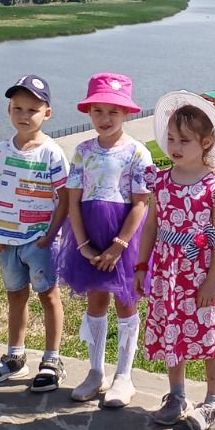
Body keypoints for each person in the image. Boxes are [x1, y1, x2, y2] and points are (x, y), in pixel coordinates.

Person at [134, 93, 215, 430]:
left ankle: (213, 401)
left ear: (206, 142)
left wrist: (211, 280)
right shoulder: (161, 181)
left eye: (185, 140)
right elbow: (152, 225)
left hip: (202, 274)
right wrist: (141, 265)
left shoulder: (214, 186)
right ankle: (177, 395)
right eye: (171, 138)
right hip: (169, 276)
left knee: (211, 334)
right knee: (172, 331)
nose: (175, 146)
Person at [55, 72, 152, 408]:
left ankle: (124, 375)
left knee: (126, 301)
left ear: (127, 113)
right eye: (98, 111)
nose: (105, 119)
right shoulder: (82, 151)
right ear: (89, 113)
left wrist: (119, 245)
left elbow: (140, 203)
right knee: (95, 302)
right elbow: (73, 198)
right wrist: (82, 244)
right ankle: (95, 371)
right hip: (89, 235)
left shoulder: (138, 153)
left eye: (113, 111)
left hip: (123, 237)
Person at [0, 75, 70, 392]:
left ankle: (52, 357)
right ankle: (15, 355)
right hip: (8, 241)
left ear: (47, 113)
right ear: (8, 110)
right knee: (15, 296)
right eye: (17, 108)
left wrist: (52, 233)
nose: (23, 115)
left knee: (48, 296)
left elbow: (65, 198)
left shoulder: (51, 153)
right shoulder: (1, 151)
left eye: (32, 109)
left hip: (40, 240)